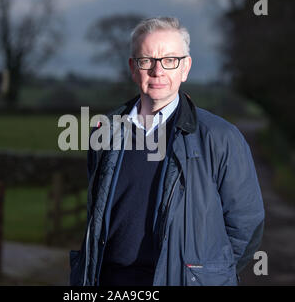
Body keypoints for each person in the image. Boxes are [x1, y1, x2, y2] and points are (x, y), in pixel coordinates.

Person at [69, 17, 265, 286]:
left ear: (185, 67)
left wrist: (204, 274)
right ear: (132, 67)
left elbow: (246, 224)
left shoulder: (221, 137)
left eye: (170, 60)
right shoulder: (104, 131)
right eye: (146, 60)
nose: (157, 71)